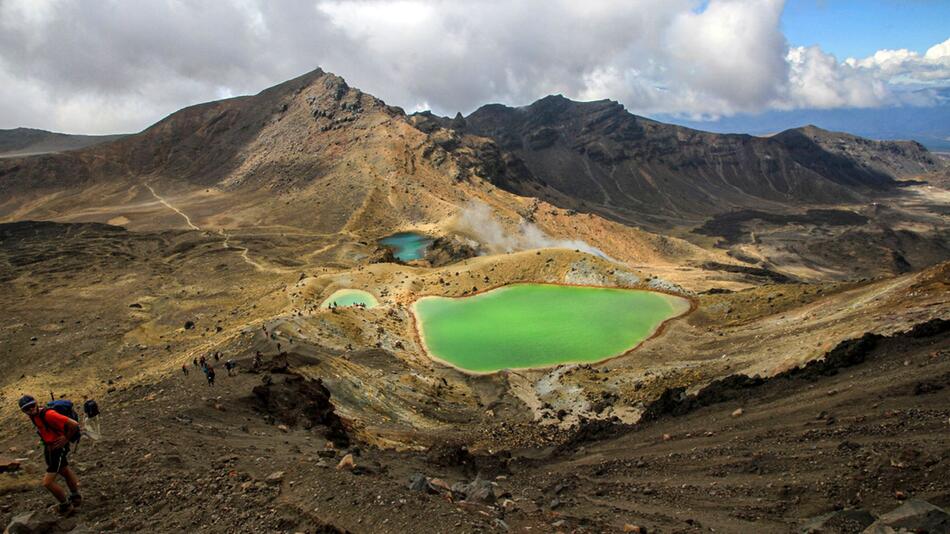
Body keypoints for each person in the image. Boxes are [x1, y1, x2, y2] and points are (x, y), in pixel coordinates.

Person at [18, 396, 82, 515]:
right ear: (23, 411)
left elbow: (74, 424)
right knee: (65, 471)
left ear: (36, 403)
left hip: (58, 448)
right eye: (27, 408)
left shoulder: (49, 414)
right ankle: (75, 497)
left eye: (32, 405)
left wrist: (66, 438)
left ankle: (66, 505)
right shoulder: (34, 416)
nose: (31, 409)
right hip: (50, 448)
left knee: (47, 482)